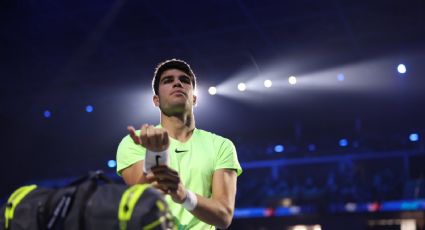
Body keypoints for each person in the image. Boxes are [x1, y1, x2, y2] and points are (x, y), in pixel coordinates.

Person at [116, 59, 243, 229]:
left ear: (194, 98)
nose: (177, 83)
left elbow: (224, 216)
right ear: (156, 100)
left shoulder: (221, 145)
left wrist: (184, 195)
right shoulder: (136, 141)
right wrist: (155, 154)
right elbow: (138, 204)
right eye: (168, 81)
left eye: (184, 80)